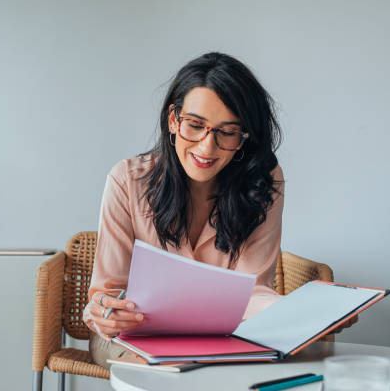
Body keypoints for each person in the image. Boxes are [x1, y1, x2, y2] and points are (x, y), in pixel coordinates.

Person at [82, 52, 354, 368]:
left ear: (245, 135)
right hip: (133, 336)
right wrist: (105, 310)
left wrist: (309, 312)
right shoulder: (127, 181)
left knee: (296, 363)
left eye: (227, 132)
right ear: (174, 120)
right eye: (195, 125)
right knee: (178, 373)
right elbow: (105, 294)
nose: (206, 148)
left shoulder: (263, 182)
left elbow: (252, 293)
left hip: (221, 337)